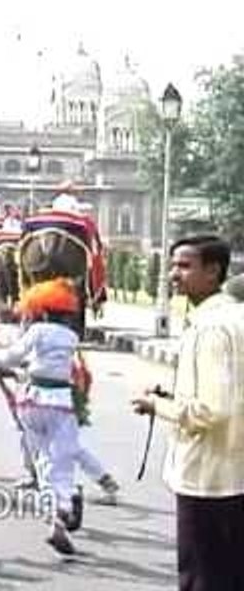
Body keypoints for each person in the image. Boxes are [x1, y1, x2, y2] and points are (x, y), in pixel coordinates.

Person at [131, 235, 244, 590]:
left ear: (213, 271)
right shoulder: (235, 316)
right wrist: (173, 393)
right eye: (173, 265)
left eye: (184, 266)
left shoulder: (210, 328)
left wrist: (157, 405)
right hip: (235, 475)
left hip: (207, 478)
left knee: (203, 579)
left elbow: (211, 410)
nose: (173, 274)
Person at [0, 278, 86, 555]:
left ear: (41, 309)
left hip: (32, 402)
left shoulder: (37, 331)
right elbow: (66, 370)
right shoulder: (71, 338)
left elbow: (13, 357)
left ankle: (55, 514)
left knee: (42, 462)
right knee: (61, 462)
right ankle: (61, 514)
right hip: (61, 403)